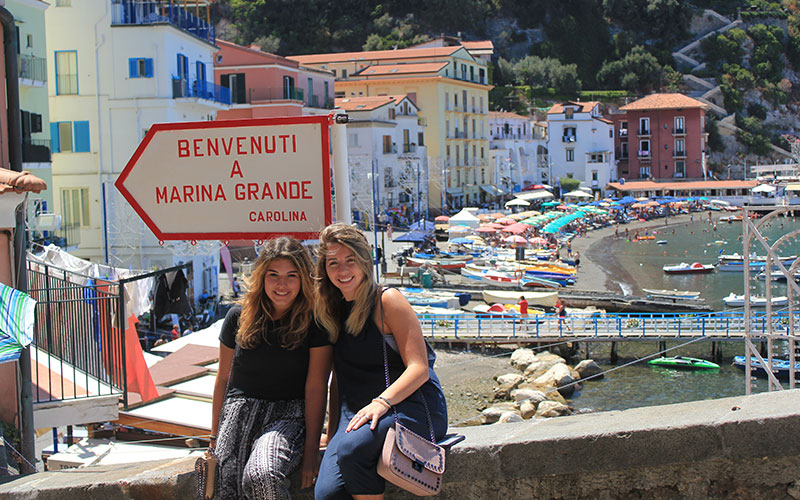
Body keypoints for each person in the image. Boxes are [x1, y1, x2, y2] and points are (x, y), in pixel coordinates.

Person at [314, 223, 448, 500]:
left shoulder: (387, 301)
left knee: (353, 450)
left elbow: (419, 368)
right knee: (327, 494)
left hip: (409, 405)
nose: (343, 270)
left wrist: (382, 402)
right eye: (333, 263)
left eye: (350, 260)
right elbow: (338, 381)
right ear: (324, 269)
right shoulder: (331, 311)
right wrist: (331, 429)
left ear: (365, 261)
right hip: (357, 412)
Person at [211, 237, 333, 500]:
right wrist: (213, 438)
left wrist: (311, 449)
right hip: (238, 413)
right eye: (273, 275)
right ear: (261, 276)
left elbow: (316, 387)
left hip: (288, 415)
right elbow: (223, 379)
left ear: (303, 279)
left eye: (292, 275)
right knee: (224, 484)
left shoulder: (316, 324)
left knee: (262, 474)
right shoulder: (237, 317)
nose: (282, 284)